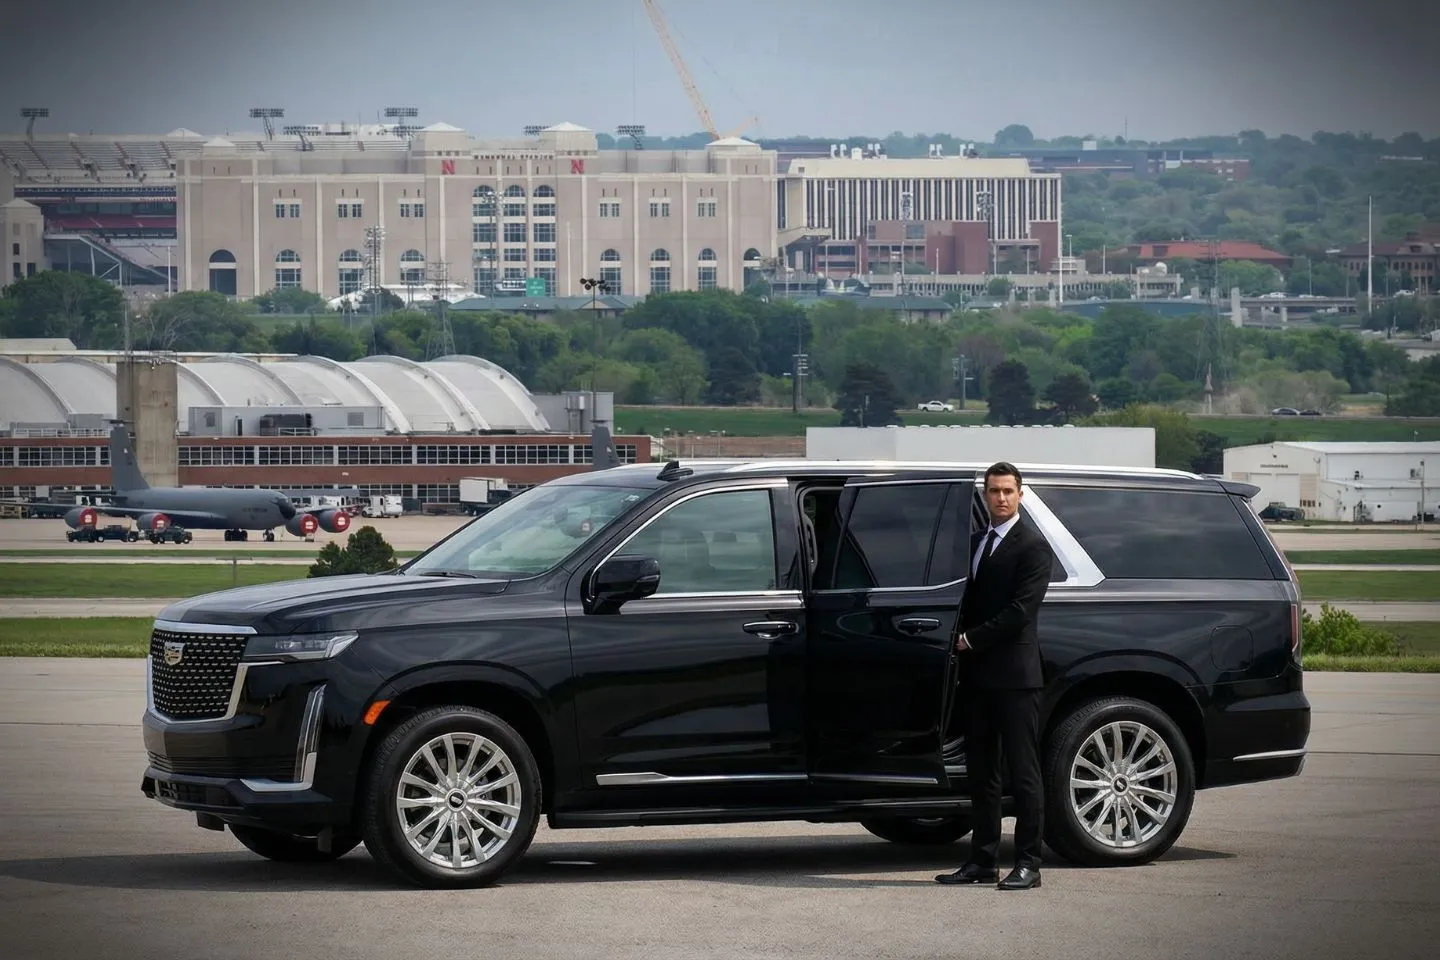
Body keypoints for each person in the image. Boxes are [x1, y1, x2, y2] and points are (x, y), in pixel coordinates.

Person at [936, 461, 1053, 891]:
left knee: (1023, 773)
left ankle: (1028, 863)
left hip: (1016, 677)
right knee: (981, 771)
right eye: (993, 491)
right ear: (984, 495)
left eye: (1007, 491)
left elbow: (1021, 611)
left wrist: (969, 639)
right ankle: (982, 861)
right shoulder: (975, 542)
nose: (1000, 498)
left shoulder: (1033, 547)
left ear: (1021, 494)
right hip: (978, 677)